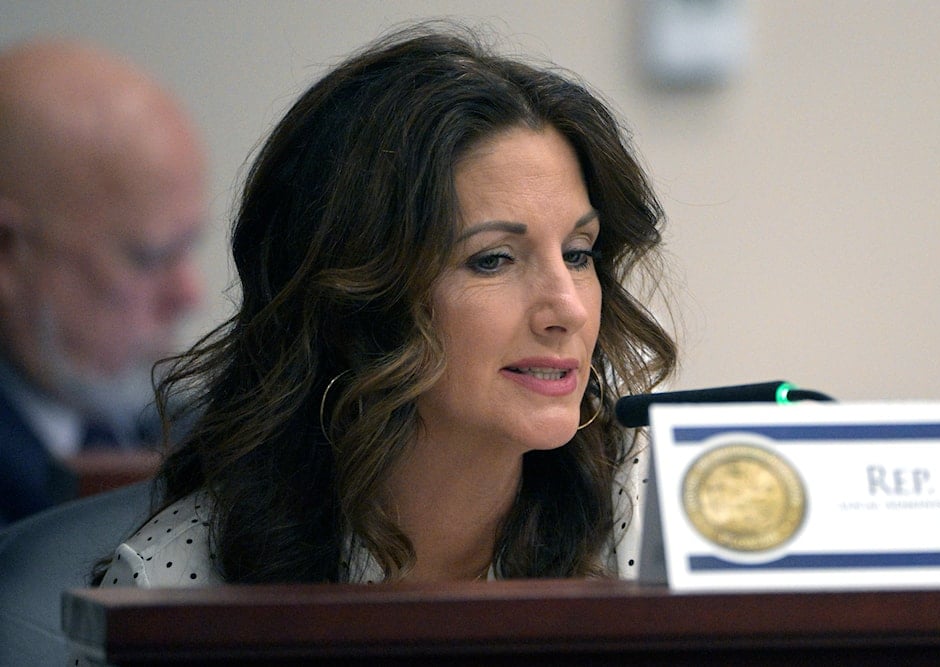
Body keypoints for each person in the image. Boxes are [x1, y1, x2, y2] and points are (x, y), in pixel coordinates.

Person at [96, 24, 675, 587]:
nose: (568, 310)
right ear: (357, 297)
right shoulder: (172, 583)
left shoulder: (669, 506)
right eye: (492, 260)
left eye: (579, 253)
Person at [0, 39, 207, 527]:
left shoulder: (193, 440)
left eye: (188, 247)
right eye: (149, 257)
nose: (189, 293)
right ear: (7, 250)